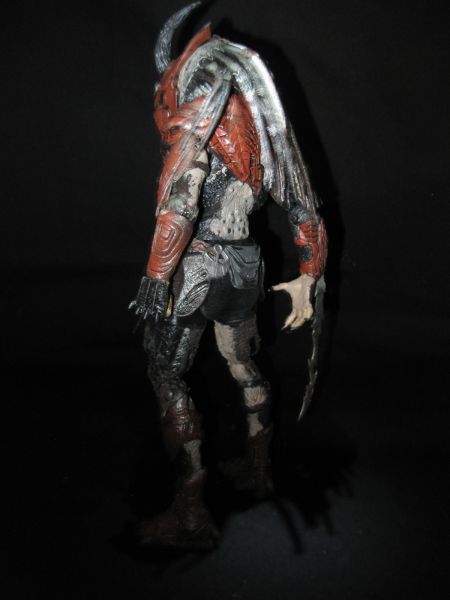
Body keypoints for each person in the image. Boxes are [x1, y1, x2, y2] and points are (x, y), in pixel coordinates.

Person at [129, 3, 327, 550]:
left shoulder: (200, 127)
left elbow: (180, 204)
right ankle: (260, 469)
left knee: (167, 374)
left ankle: (191, 509)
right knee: (241, 363)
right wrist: (308, 275)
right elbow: (304, 210)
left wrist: (155, 276)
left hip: (196, 268)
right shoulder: (266, 142)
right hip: (245, 267)